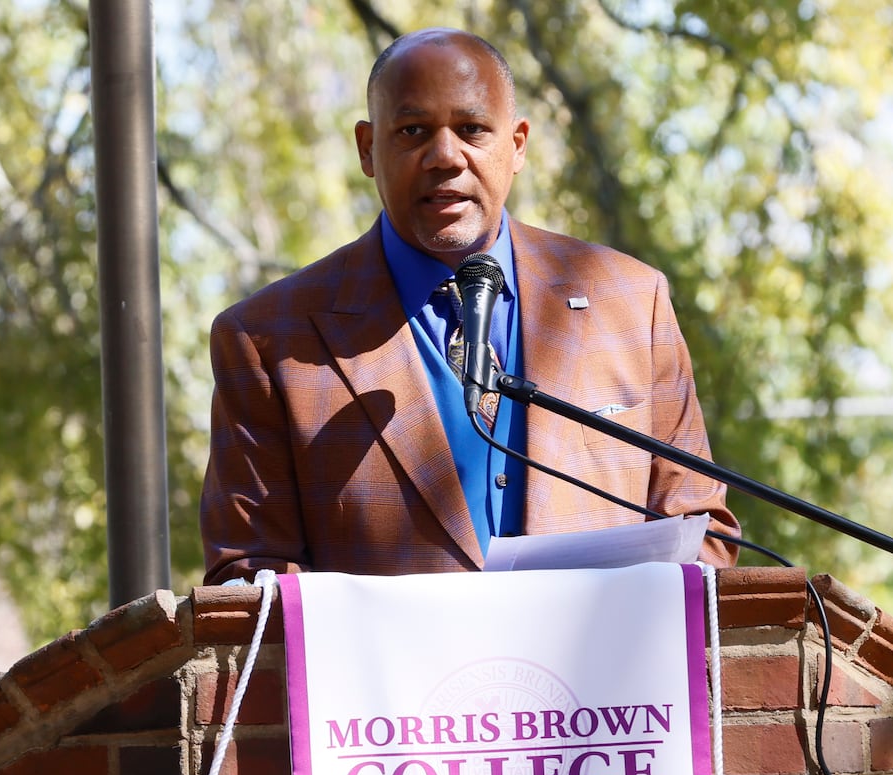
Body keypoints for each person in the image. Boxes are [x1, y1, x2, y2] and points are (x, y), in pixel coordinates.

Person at [199, 27, 739, 584]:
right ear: (367, 148)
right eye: (412, 131)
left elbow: (700, 530)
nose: (445, 156)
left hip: (594, 666)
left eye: (472, 129)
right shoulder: (270, 340)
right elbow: (250, 579)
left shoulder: (629, 302)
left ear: (518, 144)